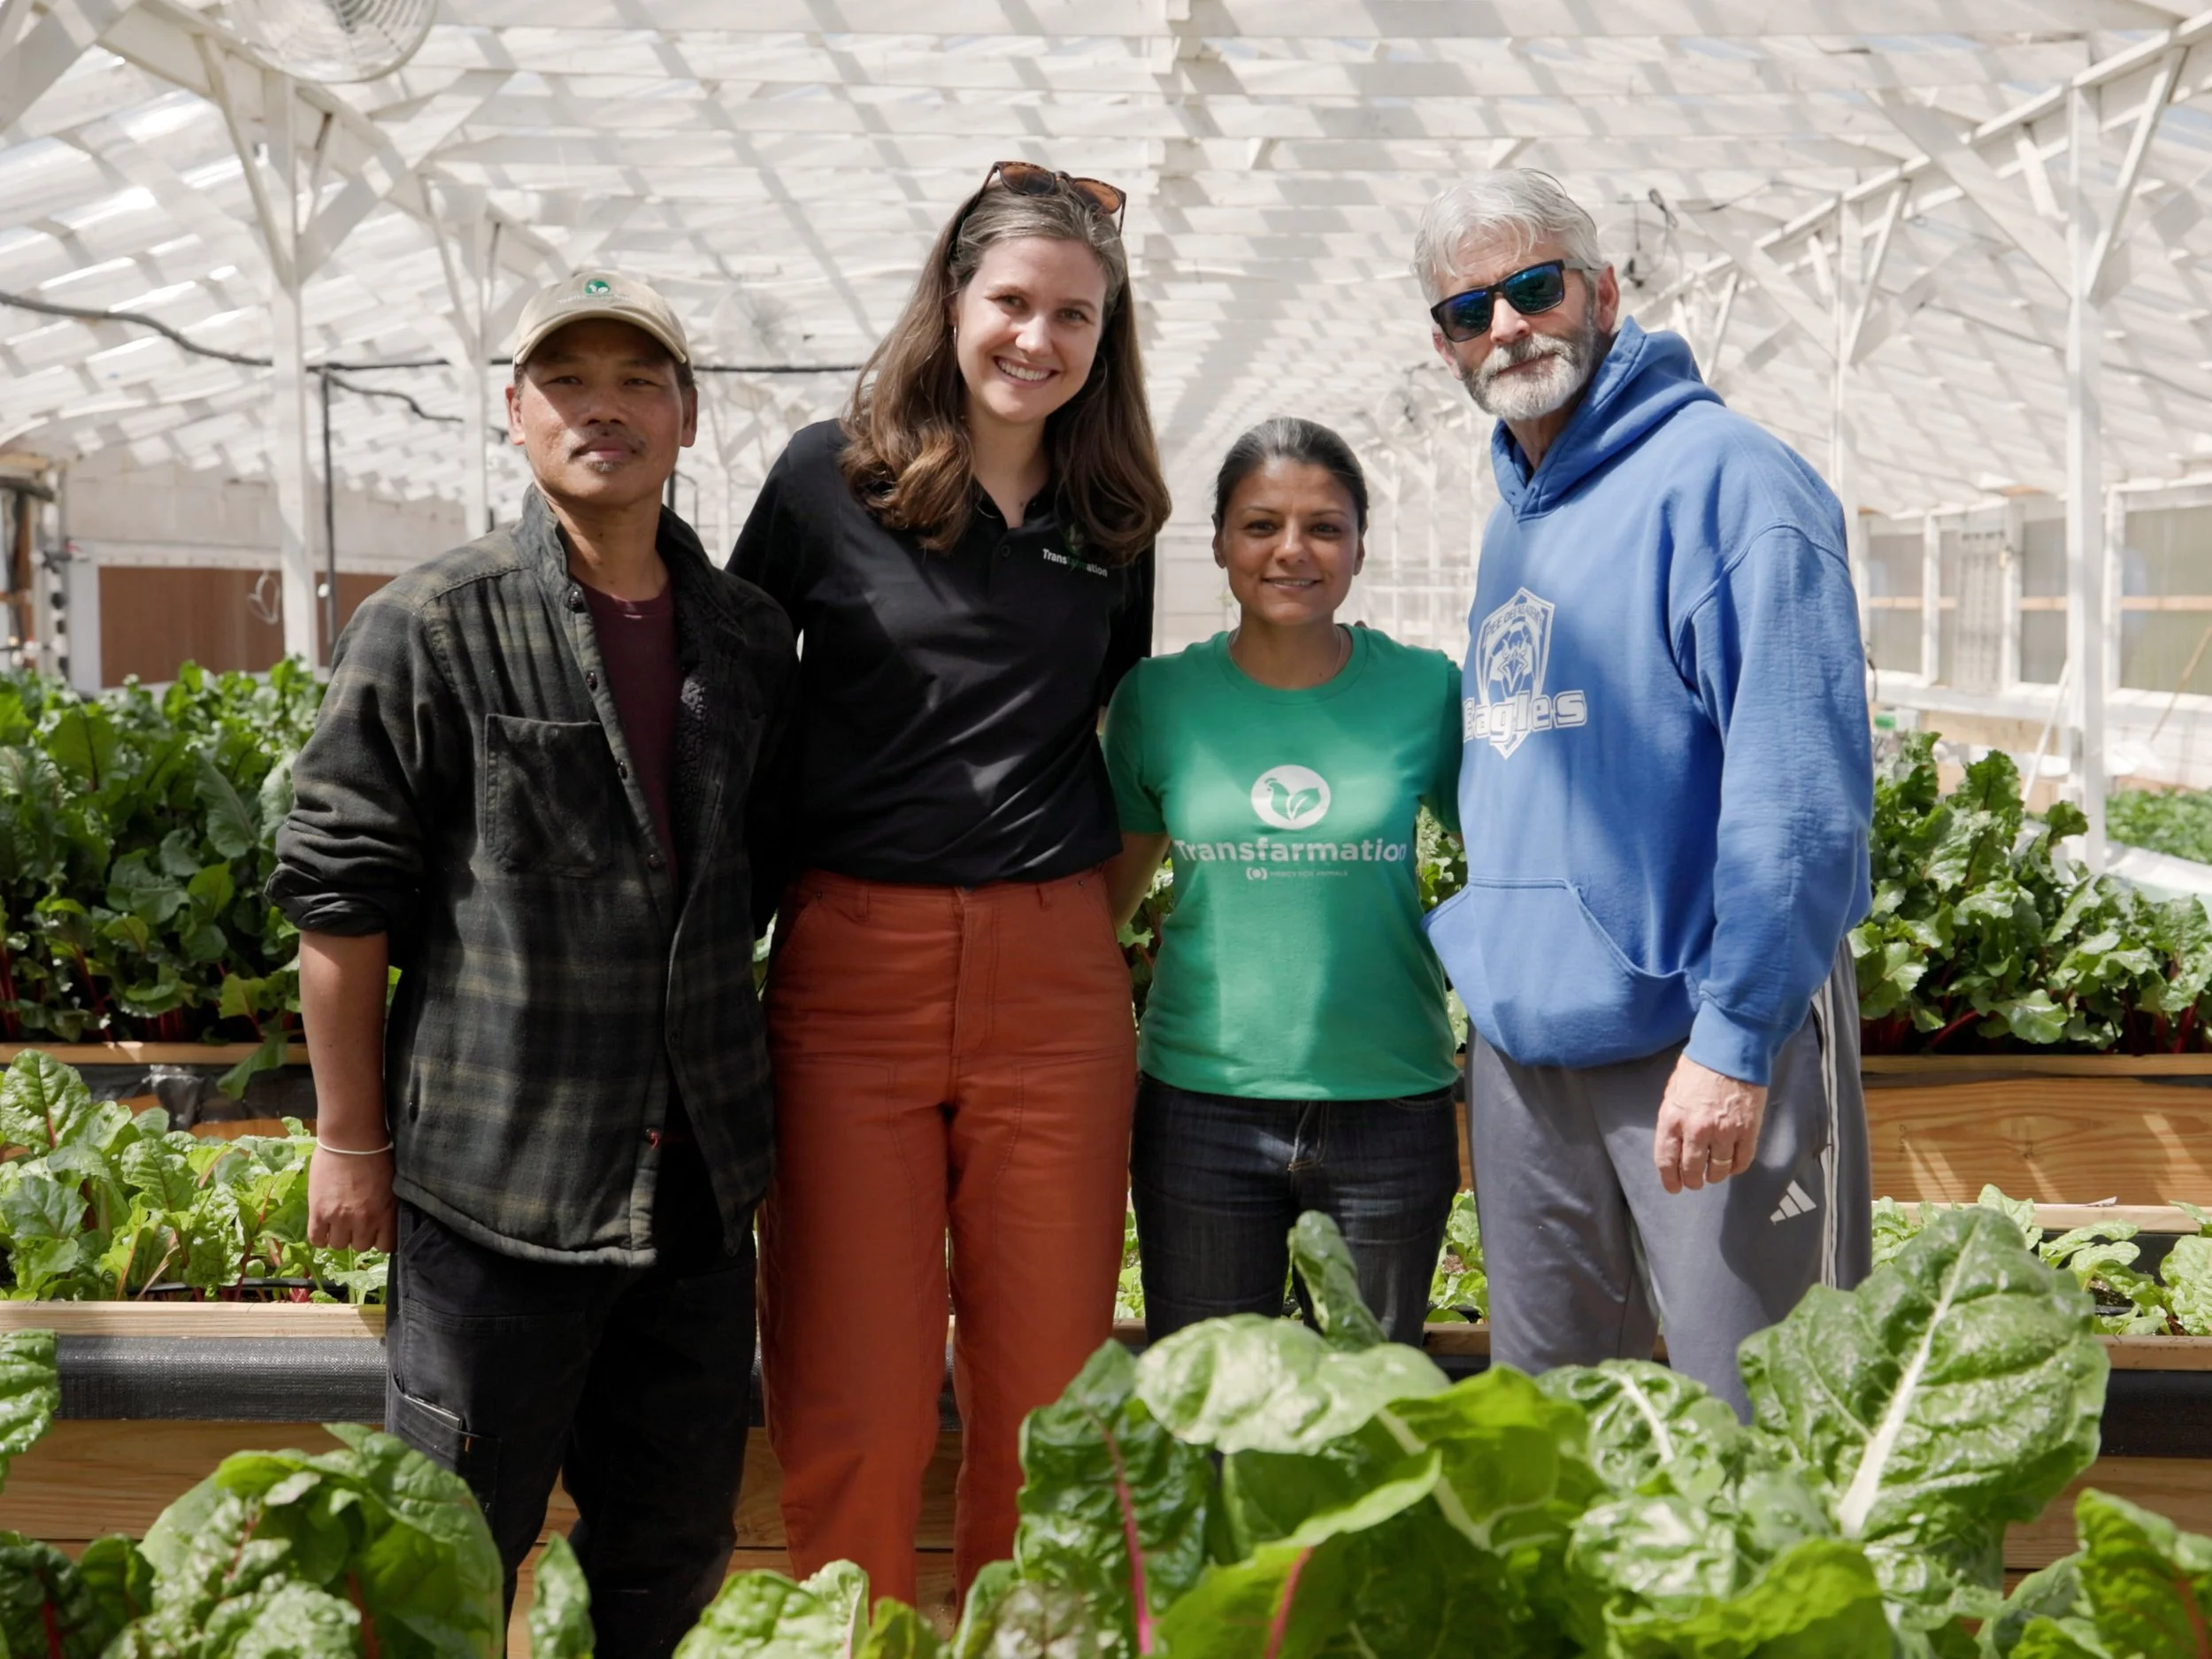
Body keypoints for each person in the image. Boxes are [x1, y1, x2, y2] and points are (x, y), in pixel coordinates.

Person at [273, 272, 795, 1655]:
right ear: (515, 411)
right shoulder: (432, 622)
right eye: (570, 381)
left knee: (670, 1547)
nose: (603, 408)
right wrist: (348, 1137)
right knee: (447, 1549)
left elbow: (769, 867)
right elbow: (338, 896)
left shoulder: (745, 638)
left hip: (692, 1196)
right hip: (497, 1187)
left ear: (687, 415)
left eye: (639, 379)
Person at [729, 161, 1171, 1605]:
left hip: (1054, 983)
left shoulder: (1116, 514)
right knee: (850, 1375)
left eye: (1075, 317)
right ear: (951, 300)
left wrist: (1061, 937)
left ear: (1108, 340)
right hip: (854, 967)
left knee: (1047, 1388)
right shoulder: (823, 477)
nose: (1037, 339)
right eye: (1013, 303)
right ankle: (848, 1634)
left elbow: (1105, 718)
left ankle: (1020, 1638)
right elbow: (732, 706)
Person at [1411, 170, 1873, 1418]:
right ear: (1444, 343)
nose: (1505, 326)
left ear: (1602, 292)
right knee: (1554, 1434)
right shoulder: (1517, 508)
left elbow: (1798, 793)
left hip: (1696, 1043)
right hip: (1527, 1054)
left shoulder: (1732, 483)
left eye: (1531, 287)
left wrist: (1735, 1042)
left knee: (1759, 1418)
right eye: (1468, 309)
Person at [1102, 418, 1463, 1346]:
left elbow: (1506, 874)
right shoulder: (1159, 699)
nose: (1291, 551)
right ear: (1219, 542)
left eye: (1324, 528)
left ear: (1357, 549)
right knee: (1216, 1405)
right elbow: (1104, 904)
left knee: (1370, 1412)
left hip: (1389, 1103)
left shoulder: (1425, 692)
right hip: (1201, 1106)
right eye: (1260, 526)